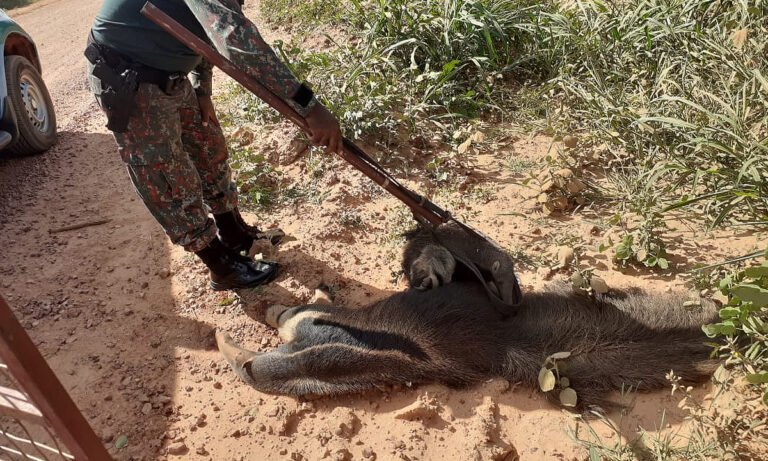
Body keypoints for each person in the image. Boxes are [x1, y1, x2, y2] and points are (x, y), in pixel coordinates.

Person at [85, 0, 342, 290]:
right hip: (128, 77)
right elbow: (232, 37)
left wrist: (202, 89)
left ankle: (233, 232)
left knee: (208, 149)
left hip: (172, 73)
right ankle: (219, 264)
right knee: (167, 174)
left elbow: (203, 28)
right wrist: (309, 106)